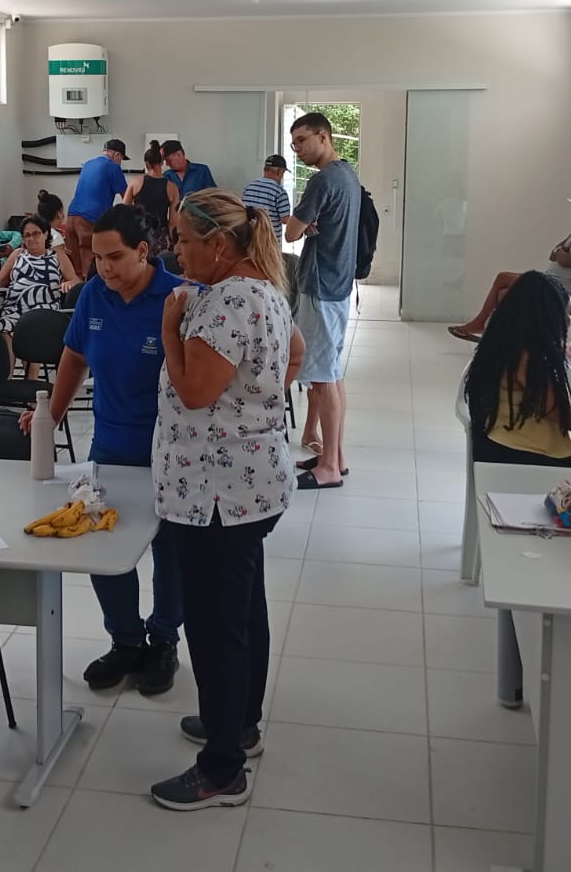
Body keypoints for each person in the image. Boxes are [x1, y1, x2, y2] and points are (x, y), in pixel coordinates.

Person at [148, 190, 303, 810]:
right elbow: (295, 354)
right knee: (242, 610)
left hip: (216, 494)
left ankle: (221, 770)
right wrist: (256, 405)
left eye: (183, 240)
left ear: (216, 244)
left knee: (215, 627)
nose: (175, 250)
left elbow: (193, 393)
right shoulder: (264, 289)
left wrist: (169, 329)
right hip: (247, 485)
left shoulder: (227, 302)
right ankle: (237, 724)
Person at [21, 205, 186, 694]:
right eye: (97, 258)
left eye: (114, 257)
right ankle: (125, 639)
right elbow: (74, 356)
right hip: (110, 444)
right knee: (102, 543)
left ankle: (163, 640)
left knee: (170, 551)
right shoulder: (95, 293)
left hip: (169, 449)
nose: (104, 267)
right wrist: (52, 414)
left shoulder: (177, 297)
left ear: (143, 251)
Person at [284, 111, 361, 488]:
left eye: (302, 140)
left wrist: (300, 225)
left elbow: (291, 233)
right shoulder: (348, 174)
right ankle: (335, 456)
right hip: (339, 285)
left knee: (322, 380)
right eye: (294, 142)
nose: (297, 148)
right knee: (332, 374)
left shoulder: (321, 181)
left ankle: (329, 468)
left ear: (323, 137)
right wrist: (306, 225)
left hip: (320, 287)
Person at [464, 271, 571, 468]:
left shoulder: (500, 343)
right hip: (523, 453)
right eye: (568, 313)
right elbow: (568, 420)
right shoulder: (532, 358)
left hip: (495, 443)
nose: (570, 320)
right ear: (549, 316)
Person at [449, 193, 571, 342]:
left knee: (503, 277)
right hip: (551, 281)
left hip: (561, 289)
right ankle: (505, 337)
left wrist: (561, 253)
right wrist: (560, 253)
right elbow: (553, 253)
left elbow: (568, 260)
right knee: (504, 294)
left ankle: (480, 323)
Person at [0, 214, 79, 373]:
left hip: (44, 308)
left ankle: (32, 381)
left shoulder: (57, 255)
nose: (31, 238)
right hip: (14, 307)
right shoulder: (17, 254)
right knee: (4, 327)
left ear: (46, 234)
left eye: (36, 233)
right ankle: (7, 378)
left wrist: (68, 283)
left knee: (33, 328)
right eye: (26, 235)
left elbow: (75, 280)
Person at [65, 139, 129, 277]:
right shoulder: (113, 167)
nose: (120, 163)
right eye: (121, 159)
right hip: (89, 219)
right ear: (117, 155)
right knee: (91, 267)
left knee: (76, 272)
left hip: (71, 217)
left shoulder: (87, 164)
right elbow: (127, 198)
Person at [124, 141, 179, 253]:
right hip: (161, 237)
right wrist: (174, 243)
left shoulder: (135, 182)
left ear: (147, 164)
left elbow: (124, 210)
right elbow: (173, 222)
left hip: (139, 233)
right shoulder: (172, 188)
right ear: (162, 162)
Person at [241, 154, 293, 240]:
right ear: (280, 171)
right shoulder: (279, 192)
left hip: (249, 238)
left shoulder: (249, 187)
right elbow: (285, 220)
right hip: (268, 241)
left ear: (265, 169)